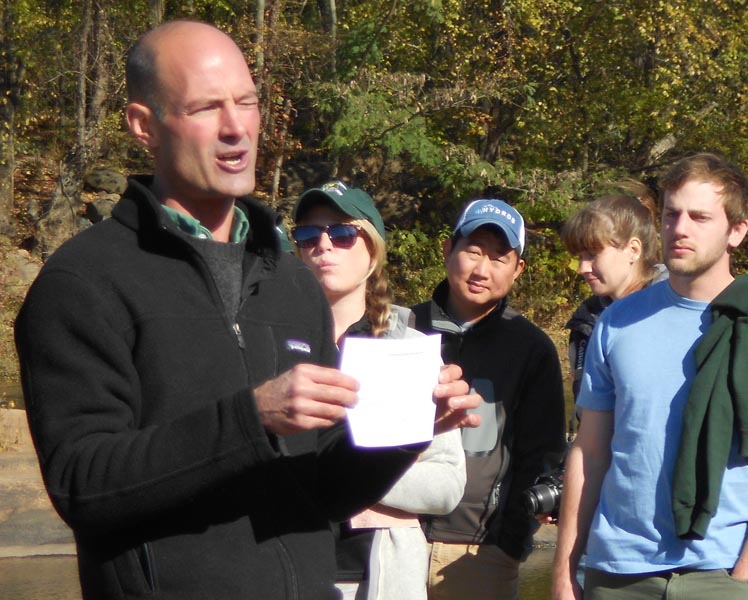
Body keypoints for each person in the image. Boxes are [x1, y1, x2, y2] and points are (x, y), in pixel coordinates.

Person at [14, 21, 480, 600]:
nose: (236, 128)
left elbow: (325, 492)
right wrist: (250, 419)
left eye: (247, 102)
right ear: (144, 126)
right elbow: (82, 483)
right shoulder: (83, 282)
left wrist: (405, 428)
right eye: (206, 108)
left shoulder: (293, 283)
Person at [551, 153, 748, 600]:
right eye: (672, 214)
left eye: (700, 217)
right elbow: (590, 453)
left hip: (719, 572)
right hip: (615, 573)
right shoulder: (615, 323)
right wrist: (565, 572)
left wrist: (745, 577)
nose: (681, 228)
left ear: (737, 230)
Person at [291, 181, 466, 600]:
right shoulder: (274, 346)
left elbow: (447, 485)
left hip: (382, 580)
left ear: (373, 251)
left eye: (343, 233)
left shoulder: (411, 351)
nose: (324, 245)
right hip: (289, 572)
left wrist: (349, 477)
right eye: (308, 235)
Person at [410, 199, 567, 599]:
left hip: (480, 556)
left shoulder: (532, 348)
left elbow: (542, 455)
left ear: (518, 270)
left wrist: (510, 540)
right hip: (395, 536)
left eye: (499, 257)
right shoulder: (403, 330)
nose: (482, 269)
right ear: (448, 250)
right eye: (474, 251)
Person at [560, 187, 668, 425]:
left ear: (633, 250)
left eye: (591, 255)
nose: (582, 268)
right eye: (580, 257)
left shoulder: (677, 312)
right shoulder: (587, 322)